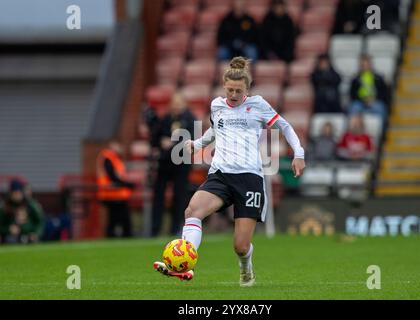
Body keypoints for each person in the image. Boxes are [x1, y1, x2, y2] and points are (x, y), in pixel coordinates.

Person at [153, 57, 306, 286]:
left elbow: (284, 126)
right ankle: (183, 265)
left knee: (241, 246)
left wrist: (299, 154)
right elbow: (215, 131)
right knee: (192, 210)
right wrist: (198, 144)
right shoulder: (217, 105)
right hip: (221, 175)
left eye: (238, 90)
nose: (233, 95)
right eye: (230, 90)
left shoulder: (258, 105)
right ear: (224, 87)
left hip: (249, 179)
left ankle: (246, 269)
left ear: (247, 89)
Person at [148, 92, 196, 237]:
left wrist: (173, 142)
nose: (175, 107)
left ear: (184, 105)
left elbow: (192, 141)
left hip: (181, 164)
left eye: (178, 104)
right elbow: (154, 140)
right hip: (164, 163)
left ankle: (176, 228)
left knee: (179, 196)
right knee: (158, 196)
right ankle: (155, 229)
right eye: (173, 104)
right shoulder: (166, 119)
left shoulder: (190, 119)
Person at [96, 141, 135, 238]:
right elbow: (113, 177)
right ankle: (120, 236)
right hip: (112, 194)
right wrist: (127, 184)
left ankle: (114, 236)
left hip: (116, 194)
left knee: (115, 219)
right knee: (120, 219)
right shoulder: (108, 158)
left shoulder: (113, 158)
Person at [0, 179, 45, 244]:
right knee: (10, 240)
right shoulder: (5, 207)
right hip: (10, 237)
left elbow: (40, 222)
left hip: (29, 235)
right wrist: (8, 229)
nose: (17, 195)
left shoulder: (31, 205)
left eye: (18, 193)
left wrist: (36, 233)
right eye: (14, 193)